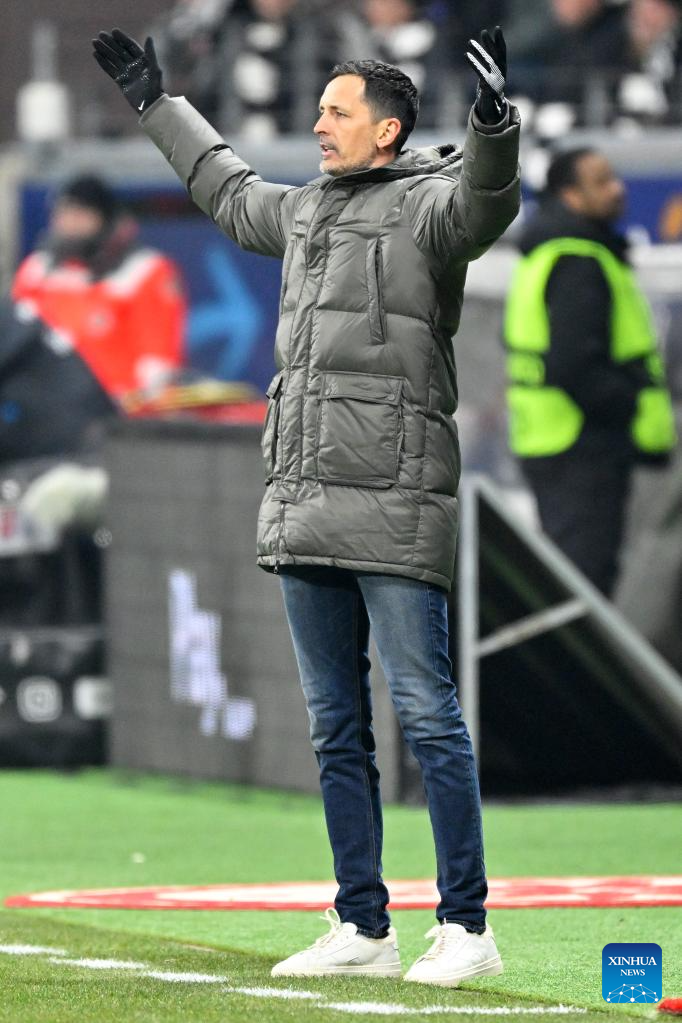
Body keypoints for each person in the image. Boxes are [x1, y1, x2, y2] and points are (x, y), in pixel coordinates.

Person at [92, 24, 520, 985]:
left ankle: (467, 926)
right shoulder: (305, 211)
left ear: (388, 129)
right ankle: (363, 924)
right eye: (320, 109)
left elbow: (489, 199)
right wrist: (158, 104)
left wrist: (494, 123)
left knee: (428, 716)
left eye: (336, 111)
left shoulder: (431, 207)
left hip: (395, 500)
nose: (318, 124)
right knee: (334, 727)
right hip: (302, 497)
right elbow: (226, 188)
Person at [504, 147, 676, 596]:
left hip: (556, 440)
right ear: (570, 195)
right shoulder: (578, 261)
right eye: (601, 181)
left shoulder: (551, 252)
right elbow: (573, 365)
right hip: (581, 445)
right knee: (583, 589)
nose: (617, 189)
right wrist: (628, 407)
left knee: (572, 582)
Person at [12, 174, 186, 406]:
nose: (70, 224)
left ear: (104, 219)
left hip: (117, 409)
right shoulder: (37, 270)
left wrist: (132, 410)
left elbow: (158, 361)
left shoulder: (145, 272)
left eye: (80, 215)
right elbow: (14, 341)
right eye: (64, 214)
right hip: (46, 409)